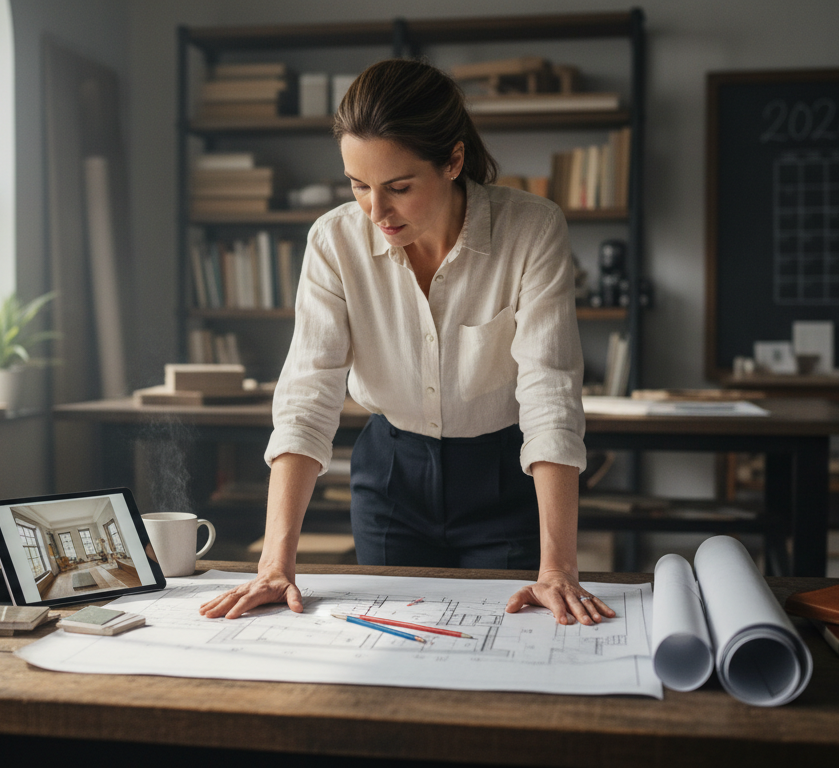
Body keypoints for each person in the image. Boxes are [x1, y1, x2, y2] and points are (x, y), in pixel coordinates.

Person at [200, 59, 614, 627]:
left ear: (453, 161)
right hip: (392, 476)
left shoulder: (531, 230)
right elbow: (308, 397)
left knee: (516, 640)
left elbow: (549, 394)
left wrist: (559, 569)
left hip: (502, 475)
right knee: (397, 643)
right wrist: (276, 564)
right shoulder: (333, 241)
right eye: (358, 185)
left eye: (398, 187)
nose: (376, 211)